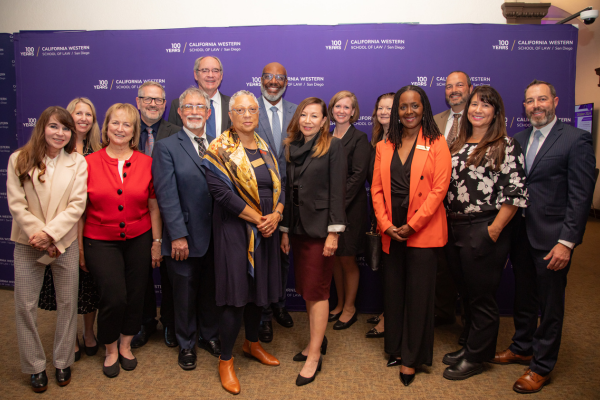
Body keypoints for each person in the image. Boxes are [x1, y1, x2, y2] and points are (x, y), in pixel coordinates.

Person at [491, 80, 595, 394]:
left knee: (550, 304)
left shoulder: (576, 140)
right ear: (524, 107)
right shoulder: (518, 139)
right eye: (530, 101)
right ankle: (522, 345)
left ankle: (542, 366)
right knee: (524, 295)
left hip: (553, 238)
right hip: (520, 234)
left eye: (542, 99)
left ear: (555, 101)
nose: (536, 105)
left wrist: (567, 241)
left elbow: (580, 196)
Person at [442, 86, 528, 381]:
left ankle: (477, 357)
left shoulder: (504, 144)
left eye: (485, 105)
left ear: (496, 112)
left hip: (484, 226)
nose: (477, 109)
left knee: (482, 297)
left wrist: (494, 230)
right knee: (465, 292)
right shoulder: (457, 143)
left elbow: (515, 193)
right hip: (454, 227)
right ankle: (469, 345)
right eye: (474, 104)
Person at [203, 90, 283, 395]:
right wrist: (259, 219)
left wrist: (276, 213)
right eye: (240, 110)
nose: (247, 114)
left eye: (252, 110)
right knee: (236, 295)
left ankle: (252, 343)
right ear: (230, 116)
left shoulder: (264, 146)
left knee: (256, 293)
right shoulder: (219, 148)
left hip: (266, 229)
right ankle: (226, 360)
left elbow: (279, 185)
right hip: (235, 231)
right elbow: (221, 194)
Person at [371, 86, 451, 386]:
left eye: (414, 106)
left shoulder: (437, 142)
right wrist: (385, 223)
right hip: (391, 228)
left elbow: (439, 190)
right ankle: (393, 347)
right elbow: (377, 189)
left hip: (423, 230)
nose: (408, 112)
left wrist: (413, 225)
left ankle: (411, 357)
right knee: (393, 291)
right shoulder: (384, 144)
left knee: (418, 296)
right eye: (403, 107)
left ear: (424, 108)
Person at [8, 106, 88, 392]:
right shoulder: (20, 158)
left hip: (63, 244)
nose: (60, 133)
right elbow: (17, 204)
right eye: (54, 127)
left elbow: (77, 205)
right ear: (42, 127)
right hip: (28, 243)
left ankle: (63, 361)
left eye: (66, 128)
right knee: (25, 307)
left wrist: (51, 235)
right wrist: (38, 234)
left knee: (68, 305)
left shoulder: (78, 162)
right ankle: (35, 367)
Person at [83, 103, 163, 378]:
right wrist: (81, 249)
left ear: (134, 131)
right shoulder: (89, 162)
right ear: (105, 128)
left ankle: (126, 344)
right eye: (115, 123)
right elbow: (80, 210)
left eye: (126, 124)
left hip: (139, 238)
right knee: (114, 297)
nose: (120, 129)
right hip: (99, 239)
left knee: (135, 294)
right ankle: (110, 348)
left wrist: (156, 242)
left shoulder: (146, 163)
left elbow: (154, 206)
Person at [280, 97, 347, 386]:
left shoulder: (333, 146)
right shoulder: (290, 146)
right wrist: (284, 229)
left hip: (321, 231)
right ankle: (315, 342)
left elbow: (337, 192)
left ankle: (314, 356)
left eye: (314, 116)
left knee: (318, 292)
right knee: (308, 290)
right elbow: (287, 190)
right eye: (303, 115)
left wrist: (334, 232)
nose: (308, 120)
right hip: (297, 229)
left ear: (324, 121)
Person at [152, 87, 220, 370]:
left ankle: (209, 335)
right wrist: (177, 235)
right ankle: (187, 343)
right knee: (183, 294)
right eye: (187, 107)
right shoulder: (166, 146)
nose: (194, 111)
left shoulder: (220, 144)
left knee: (210, 291)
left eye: (199, 107)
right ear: (179, 112)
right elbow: (166, 195)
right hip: (184, 237)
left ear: (209, 112)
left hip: (217, 235)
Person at [37, 98, 101, 361]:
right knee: (66, 286)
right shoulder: (56, 148)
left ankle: (88, 332)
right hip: (63, 227)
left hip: (93, 225)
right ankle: (70, 334)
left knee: (89, 284)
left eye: (89, 114)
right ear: (67, 118)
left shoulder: (98, 149)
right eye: (78, 113)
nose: (84, 118)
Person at [131, 81, 180, 350]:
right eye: (147, 100)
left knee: (172, 272)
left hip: (169, 210)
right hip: (137, 213)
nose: (153, 104)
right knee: (140, 272)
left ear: (165, 104)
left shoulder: (176, 132)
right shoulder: (125, 130)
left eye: (158, 100)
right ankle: (145, 321)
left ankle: (171, 323)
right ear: (137, 102)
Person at [256, 62, 298, 343]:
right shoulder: (248, 108)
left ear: (286, 81)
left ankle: (279, 304)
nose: (274, 82)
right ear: (261, 80)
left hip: (290, 198)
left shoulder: (298, 112)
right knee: (260, 259)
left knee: (283, 256)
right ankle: (262, 315)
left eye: (279, 78)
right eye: (269, 77)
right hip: (256, 199)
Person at [433, 71, 474, 343]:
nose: (454, 90)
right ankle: (443, 311)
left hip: (470, 207)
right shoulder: (435, 121)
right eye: (449, 86)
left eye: (459, 85)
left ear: (470, 88)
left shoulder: (481, 117)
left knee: (470, 269)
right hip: (438, 204)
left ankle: (471, 326)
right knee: (442, 263)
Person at [327, 91, 370, 330]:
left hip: (349, 208)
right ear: (332, 110)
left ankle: (350, 307)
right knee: (333, 257)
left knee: (347, 259)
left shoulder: (360, 138)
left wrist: (336, 203)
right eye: (337, 106)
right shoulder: (325, 136)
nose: (341, 110)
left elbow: (357, 176)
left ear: (353, 112)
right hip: (328, 208)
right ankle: (340, 303)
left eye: (347, 107)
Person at [365, 92, 395, 339]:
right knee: (386, 267)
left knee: (394, 268)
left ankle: (390, 317)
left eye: (390, 108)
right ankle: (388, 311)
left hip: (397, 214)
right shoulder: (378, 137)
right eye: (381, 108)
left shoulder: (401, 138)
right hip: (379, 210)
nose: (384, 112)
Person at [169, 56, 231, 136]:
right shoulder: (178, 104)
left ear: (221, 75)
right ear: (196, 75)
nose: (210, 75)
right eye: (205, 70)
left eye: (215, 71)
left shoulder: (233, 105)